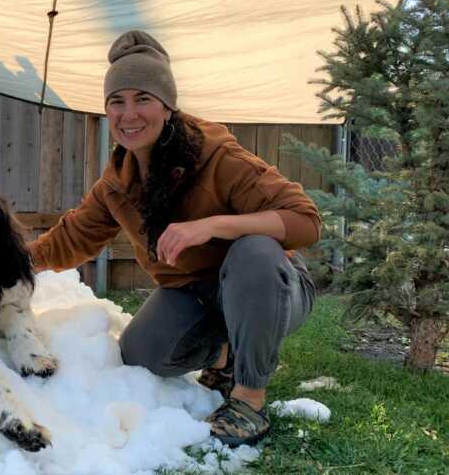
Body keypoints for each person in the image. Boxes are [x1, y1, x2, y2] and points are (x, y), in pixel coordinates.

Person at [27, 30, 320, 447]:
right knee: (142, 353)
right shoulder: (118, 182)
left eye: (143, 98)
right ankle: (226, 355)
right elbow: (71, 237)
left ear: (167, 105)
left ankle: (249, 401)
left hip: (273, 287)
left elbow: (305, 220)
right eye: (117, 101)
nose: (129, 114)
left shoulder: (219, 157)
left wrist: (212, 225)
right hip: (199, 293)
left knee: (253, 250)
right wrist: (8, 262)